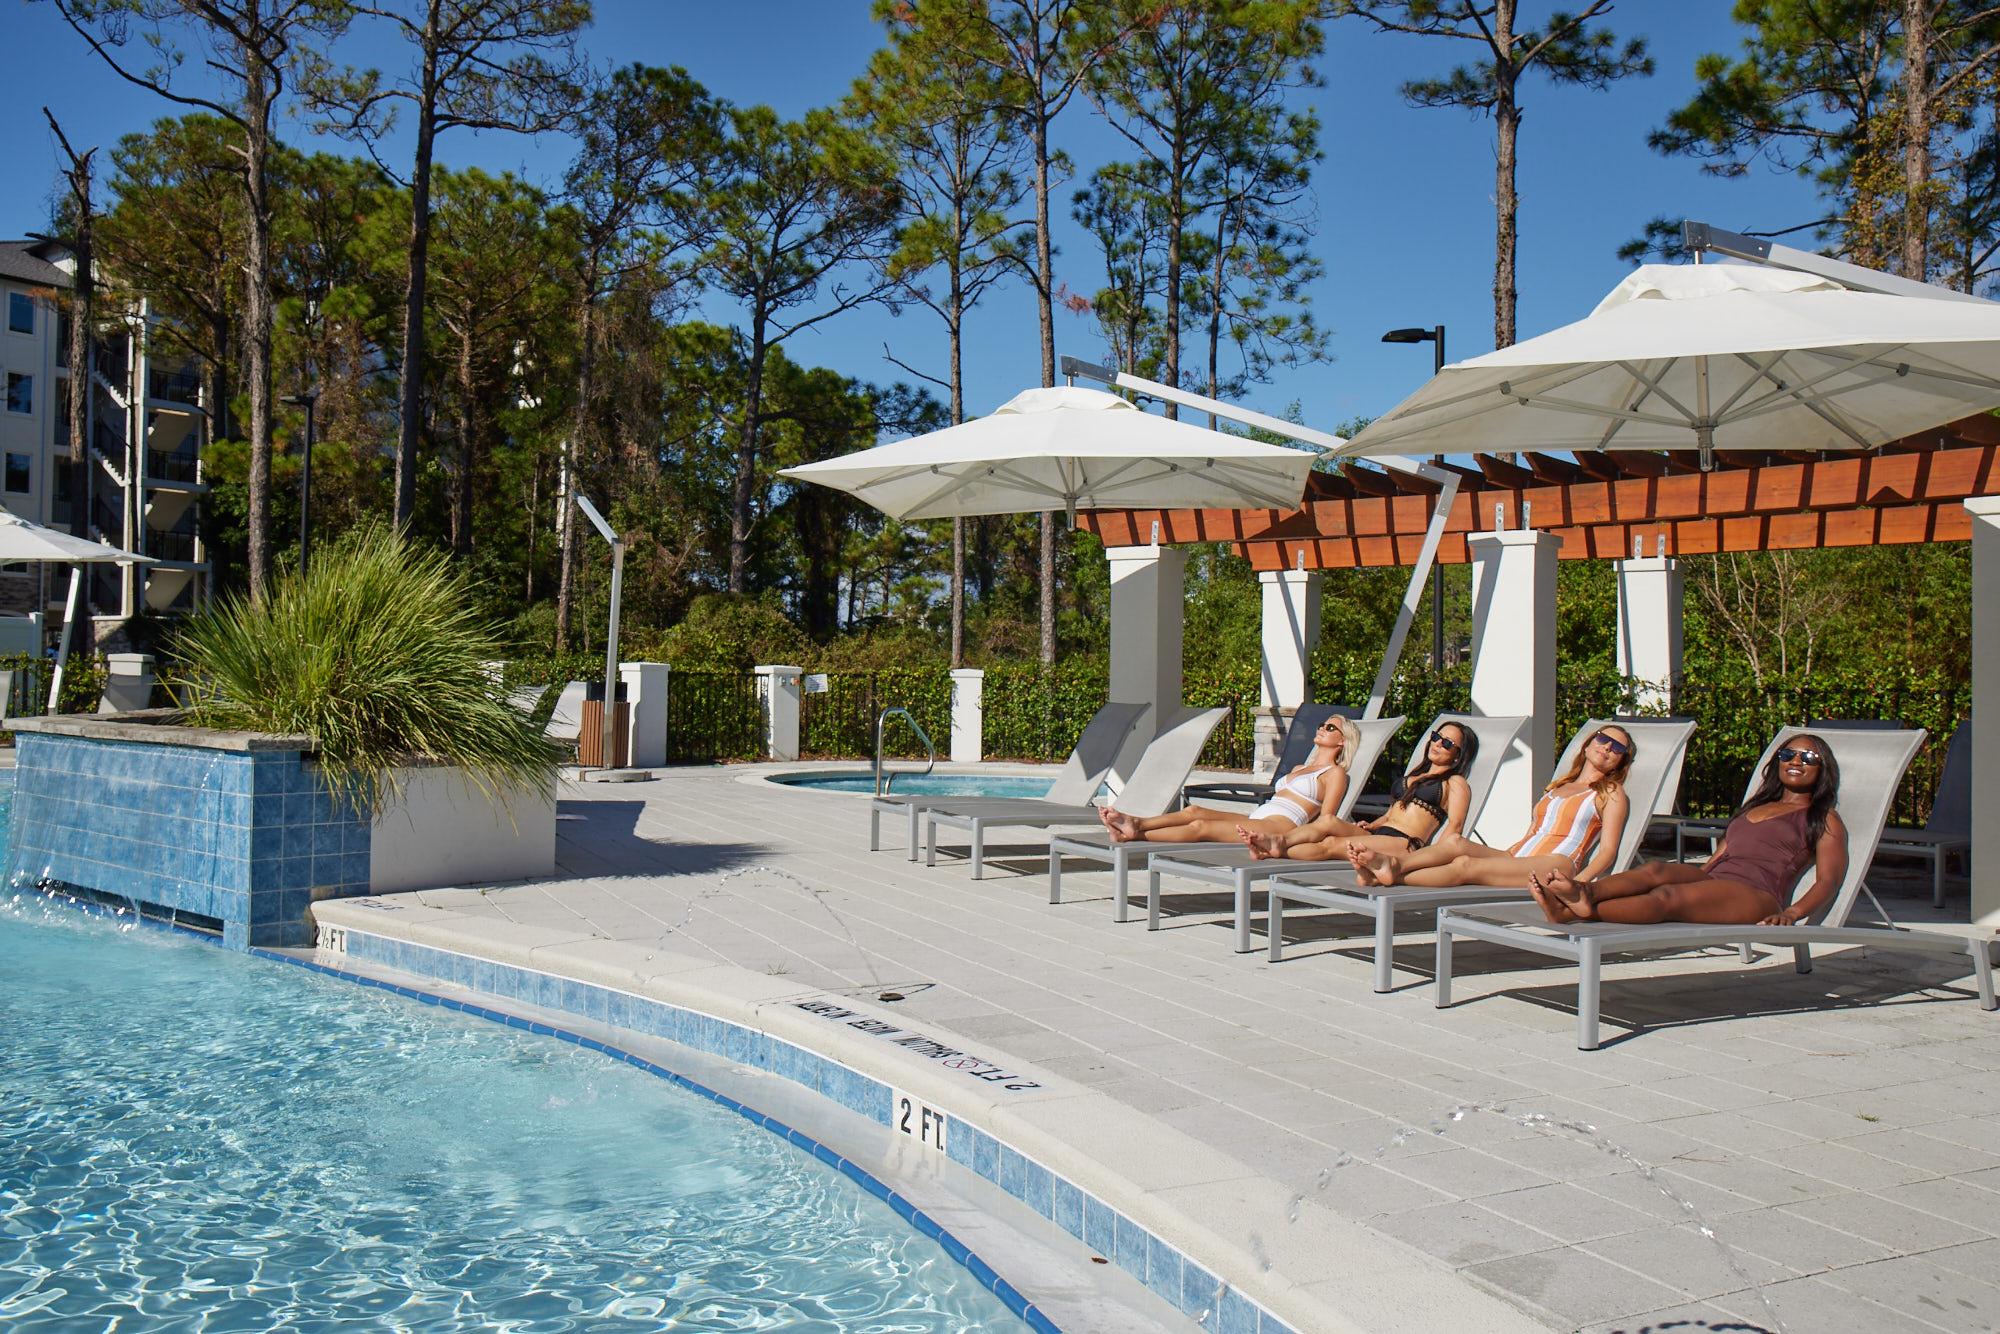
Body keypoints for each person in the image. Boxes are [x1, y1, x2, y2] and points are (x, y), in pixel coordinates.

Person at [1531, 733, 1846, 927]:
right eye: (1787, 754)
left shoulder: (1823, 818)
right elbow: (1718, 858)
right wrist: (1690, 875)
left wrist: (1792, 913)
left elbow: (1828, 880)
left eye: (1808, 757)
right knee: (1656, 870)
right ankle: (1585, 893)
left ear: (1823, 768)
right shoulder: (1754, 807)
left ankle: (1574, 913)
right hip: (1714, 880)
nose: (1795, 761)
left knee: (1668, 896)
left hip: (1757, 894)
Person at [1347, 725, 1636, 889]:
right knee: (1456, 843)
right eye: (1603, 739)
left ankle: (1391, 875)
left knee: (1466, 865)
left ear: (1620, 761)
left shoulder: (1610, 793)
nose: (1607, 747)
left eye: (1617, 748)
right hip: (1516, 855)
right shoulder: (1558, 787)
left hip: (1557, 862)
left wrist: (1579, 885)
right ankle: (1393, 866)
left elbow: (1608, 851)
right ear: (1588, 745)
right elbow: (1534, 833)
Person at [1100, 716, 1361, 844]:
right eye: (1322, 724)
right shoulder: (1299, 767)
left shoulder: (1335, 774)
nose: (1322, 728)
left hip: (1280, 826)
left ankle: (1136, 835)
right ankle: (1137, 823)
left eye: (1330, 727)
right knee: (1194, 811)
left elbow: (1326, 820)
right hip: (1259, 816)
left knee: (1201, 827)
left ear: (1342, 740)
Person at [1241, 721, 1479, 863]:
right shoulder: (1415, 775)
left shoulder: (1455, 783)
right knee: (1328, 822)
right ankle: (1279, 843)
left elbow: (1455, 827)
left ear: (1458, 755)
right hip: (1380, 832)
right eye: (1436, 737)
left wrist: (1432, 859)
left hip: (1403, 843)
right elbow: (1392, 813)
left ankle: (1276, 850)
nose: (1437, 743)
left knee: (1331, 845)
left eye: (1447, 743)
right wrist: (1372, 825)